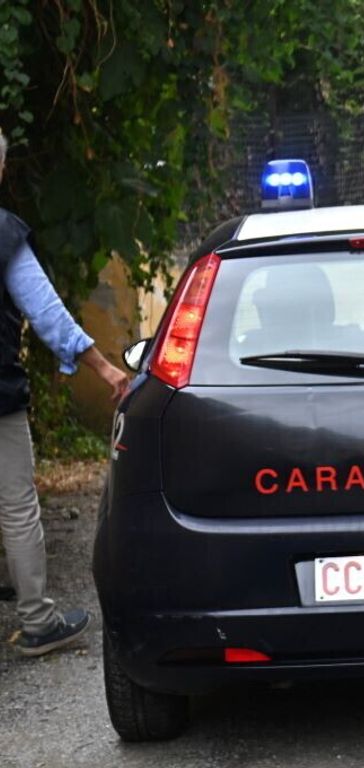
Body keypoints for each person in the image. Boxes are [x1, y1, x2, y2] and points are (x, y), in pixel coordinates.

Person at [0, 127, 129, 656]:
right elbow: (46, 311)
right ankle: (37, 621)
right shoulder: (3, 233)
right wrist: (104, 367)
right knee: (16, 505)